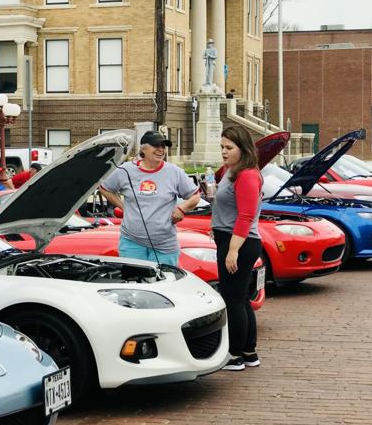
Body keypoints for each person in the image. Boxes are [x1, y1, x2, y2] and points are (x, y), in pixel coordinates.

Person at [100, 131, 201, 265]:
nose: (161, 150)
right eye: (156, 146)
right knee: (135, 283)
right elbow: (105, 188)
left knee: (163, 284)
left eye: (163, 146)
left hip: (165, 245)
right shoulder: (125, 170)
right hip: (132, 242)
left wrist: (182, 209)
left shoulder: (174, 172)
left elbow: (195, 196)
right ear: (143, 148)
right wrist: (123, 206)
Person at [212, 126, 263, 371]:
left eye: (229, 148)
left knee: (232, 299)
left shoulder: (247, 175)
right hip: (231, 239)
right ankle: (249, 352)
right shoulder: (232, 171)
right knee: (241, 298)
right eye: (222, 147)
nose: (223, 151)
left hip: (240, 242)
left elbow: (245, 215)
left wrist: (233, 250)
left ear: (243, 149)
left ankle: (234, 355)